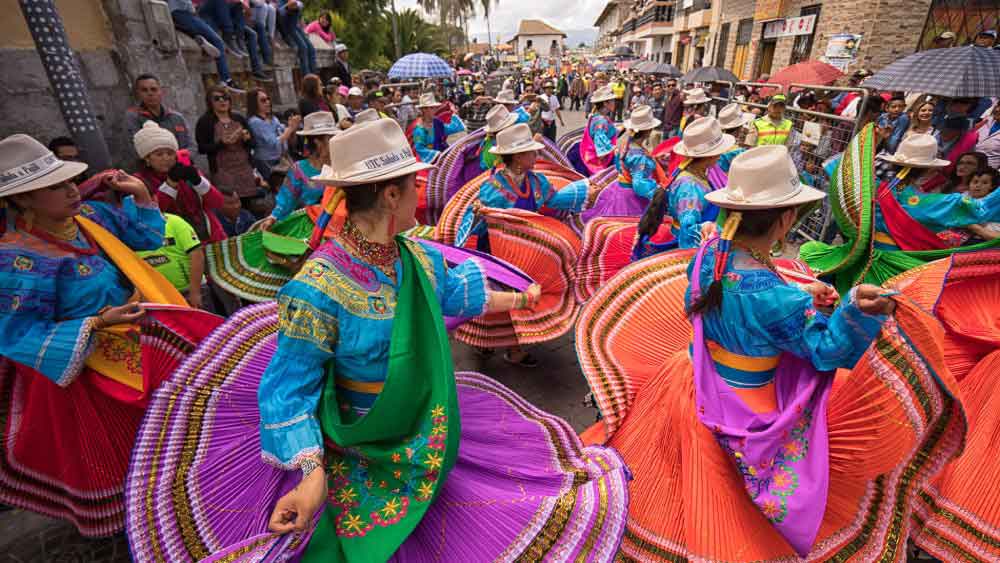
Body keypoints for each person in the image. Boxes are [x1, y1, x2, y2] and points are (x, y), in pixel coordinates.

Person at [124, 118, 630, 562]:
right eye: (413, 185)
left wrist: (522, 298)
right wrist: (311, 473)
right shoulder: (317, 288)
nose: (419, 193)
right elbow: (287, 391)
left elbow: (458, 293)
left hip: (427, 433)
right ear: (391, 195)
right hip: (361, 449)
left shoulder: (418, 257)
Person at [591, 145, 941, 562]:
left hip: (690, 378)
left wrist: (802, 293)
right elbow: (828, 351)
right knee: (734, 499)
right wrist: (853, 310)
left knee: (679, 477)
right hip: (745, 402)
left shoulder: (710, 255)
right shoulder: (780, 300)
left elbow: (741, 292)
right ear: (786, 218)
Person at [0, 134, 192, 536]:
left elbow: (147, 239)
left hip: (141, 345)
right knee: (129, 451)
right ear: (22, 199)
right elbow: (17, 334)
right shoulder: (18, 258)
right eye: (55, 186)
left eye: (70, 180)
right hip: (89, 374)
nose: (72, 190)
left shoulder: (91, 217)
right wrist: (96, 323)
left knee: (176, 431)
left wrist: (141, 195)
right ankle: (150, 527)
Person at [802, 129, 1000, 292]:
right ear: (931, 169)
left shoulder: (873, 187)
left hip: (859, 257)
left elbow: (835, 174)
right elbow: (981, 209)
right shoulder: (930, 203)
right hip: (894, 268)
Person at [133, 121, 227, 244]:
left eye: (170, 153)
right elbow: (153, 214)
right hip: (175, 243)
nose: (166, 158)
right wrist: (170, 184)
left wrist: (198, 182)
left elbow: (217, 202)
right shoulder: (140, 181)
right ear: (147, 159)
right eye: (159, 154)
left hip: (210, 236)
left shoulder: (186, 171)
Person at [652, 117, 734, 250]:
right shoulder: (689, 187)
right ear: (710, 155)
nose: (721, 156)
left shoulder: (699, 173)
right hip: (689, 247)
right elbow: (688, 229)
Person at [581, 105, 665, 222]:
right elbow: (639, 185)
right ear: (648, 131)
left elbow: (619, 165)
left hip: (619, 190)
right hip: (632, 200)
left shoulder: (624, 144)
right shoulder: (640, 157)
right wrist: (659, 193)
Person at [258, 111, 339, 228]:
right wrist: (273, 217)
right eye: (330, 138)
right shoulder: (299, 170)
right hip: (313, 227)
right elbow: (287, 198)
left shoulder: (341, 165)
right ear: (318, 143)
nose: (335, 141)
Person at [195, 86, 263, 206]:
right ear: (210, 102)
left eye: (225, 97)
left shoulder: (239, 118)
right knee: (230, 204)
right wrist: (221, 143)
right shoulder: (205, 121)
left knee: (250, 204)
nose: (222, 101)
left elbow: (253, 143)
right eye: (217, 98)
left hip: (244, 169)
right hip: (222, 172)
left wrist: (246, 139)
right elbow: (202, 148)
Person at [166, 1, 240, 91]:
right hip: (182, 13)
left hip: (176, 16)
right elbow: (187, 4)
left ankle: (197, 37)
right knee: (217, 41)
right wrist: (193, 9)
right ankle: (226, 79)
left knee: (206, 26)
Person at [137, 212, 205, 309]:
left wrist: (195, 292)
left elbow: (196, 254)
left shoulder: (174, 222)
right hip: (157, 297)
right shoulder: (128, 229)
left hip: (188, 292)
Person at [196, 0, 271, 81]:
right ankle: (230, 40)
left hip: (226, 20)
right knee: (226, 29)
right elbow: (223, 17)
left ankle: (256, 70)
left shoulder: (237, 4)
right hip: (212, 19)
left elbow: (244, 16)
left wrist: (246, 10)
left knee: (252, 34)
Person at [124, 74, 193, 162]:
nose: (150, 93)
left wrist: (176, 158)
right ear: (138, 94)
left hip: (181, 165)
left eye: (154, 89)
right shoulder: (133, 118)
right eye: (144, 90)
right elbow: (135, 149)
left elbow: (192, 146)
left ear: (161, 91)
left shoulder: (177, 117)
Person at [247, 87, 301, 179]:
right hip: (267, 162)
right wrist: (290, 128)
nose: (267, 102)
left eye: (268, 99)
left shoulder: (273, 118)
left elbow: (285, 135)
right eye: (263, 100)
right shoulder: (255, 122)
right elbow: (274, 143)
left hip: (282, 158)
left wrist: (293, 127)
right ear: (254, 103)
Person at [923, 116, 980, 192]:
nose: (944, 131)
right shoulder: (935, 137)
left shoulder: (967, 144)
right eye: (943, 128)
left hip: (946, 180)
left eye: (950, 130)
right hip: (924, 172)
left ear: (959, 132)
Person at [411, 93, 466, 163]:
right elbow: (420, 149)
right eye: (432, 108)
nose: (435, 110)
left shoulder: (436, 122)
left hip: (442, 155)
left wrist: (454, 114)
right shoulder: (419, 129)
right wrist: (437, 154)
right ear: (424, 109)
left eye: (435, 107)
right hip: (430, 162)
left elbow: (449, 129)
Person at [581, 85, 618, 174]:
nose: (614, 103)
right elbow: (600, 145)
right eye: (612, 101)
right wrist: (615, 149)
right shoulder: (601, 121)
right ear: (605, 103)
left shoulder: (598, 117)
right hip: (598, 163)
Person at [276, 0, 316, 75]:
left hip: (296, 28)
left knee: (312, 50)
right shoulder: (280, 3)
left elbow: (300, 5)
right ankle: (307, 76)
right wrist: (287, 7)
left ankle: (314, 75)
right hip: (287, 31)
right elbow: (280, 12)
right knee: (303, 48)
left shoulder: (297, 3)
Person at [965, 168, 1000, 241]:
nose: (978, 185)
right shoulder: (962, 197)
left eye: (984, 183)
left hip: (985, 239)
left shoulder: (995, 202)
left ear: (992, 186)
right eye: (975, 182)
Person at [975, 101, 1000, 169]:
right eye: (998, 106)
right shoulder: (987, 120)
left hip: (987, 170)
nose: (997, 109)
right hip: (968, 162)